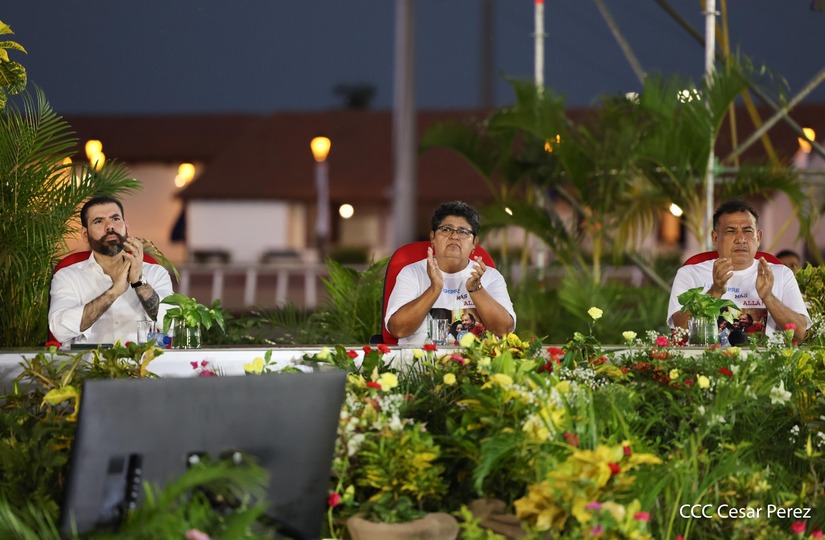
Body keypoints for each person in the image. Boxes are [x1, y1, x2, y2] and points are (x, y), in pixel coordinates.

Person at [667, 199, 810, 343]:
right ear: (715, 238)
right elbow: (680, 334)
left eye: (748, 231)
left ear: (758, 237)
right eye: (731, 231)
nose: (741, 239)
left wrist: (768, 298)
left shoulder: (781, 274)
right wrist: (714, 292)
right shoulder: (690, 274)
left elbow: (801, 334)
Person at [385, 201, 516, 345]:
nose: (454, 236)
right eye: (446, 229)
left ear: (474, 243)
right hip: (421, 358)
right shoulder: (412, 273)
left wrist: (476, 289)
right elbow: (398, 330)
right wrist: (434, 289)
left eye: (463, 231)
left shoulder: (490, 277)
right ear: (433, 237)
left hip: (475, 359)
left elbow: (504, 330)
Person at [48, 196, 174, 346]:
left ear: (126, 227)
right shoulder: (67, 276)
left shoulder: (155, 272)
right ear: (85, 234)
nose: (110, 227)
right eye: (99, 221)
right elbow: (59, 330)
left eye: (115, 219)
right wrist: (113, 293)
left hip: (141, 360)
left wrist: (139, 282)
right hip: (88, 360)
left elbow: (172, 325)